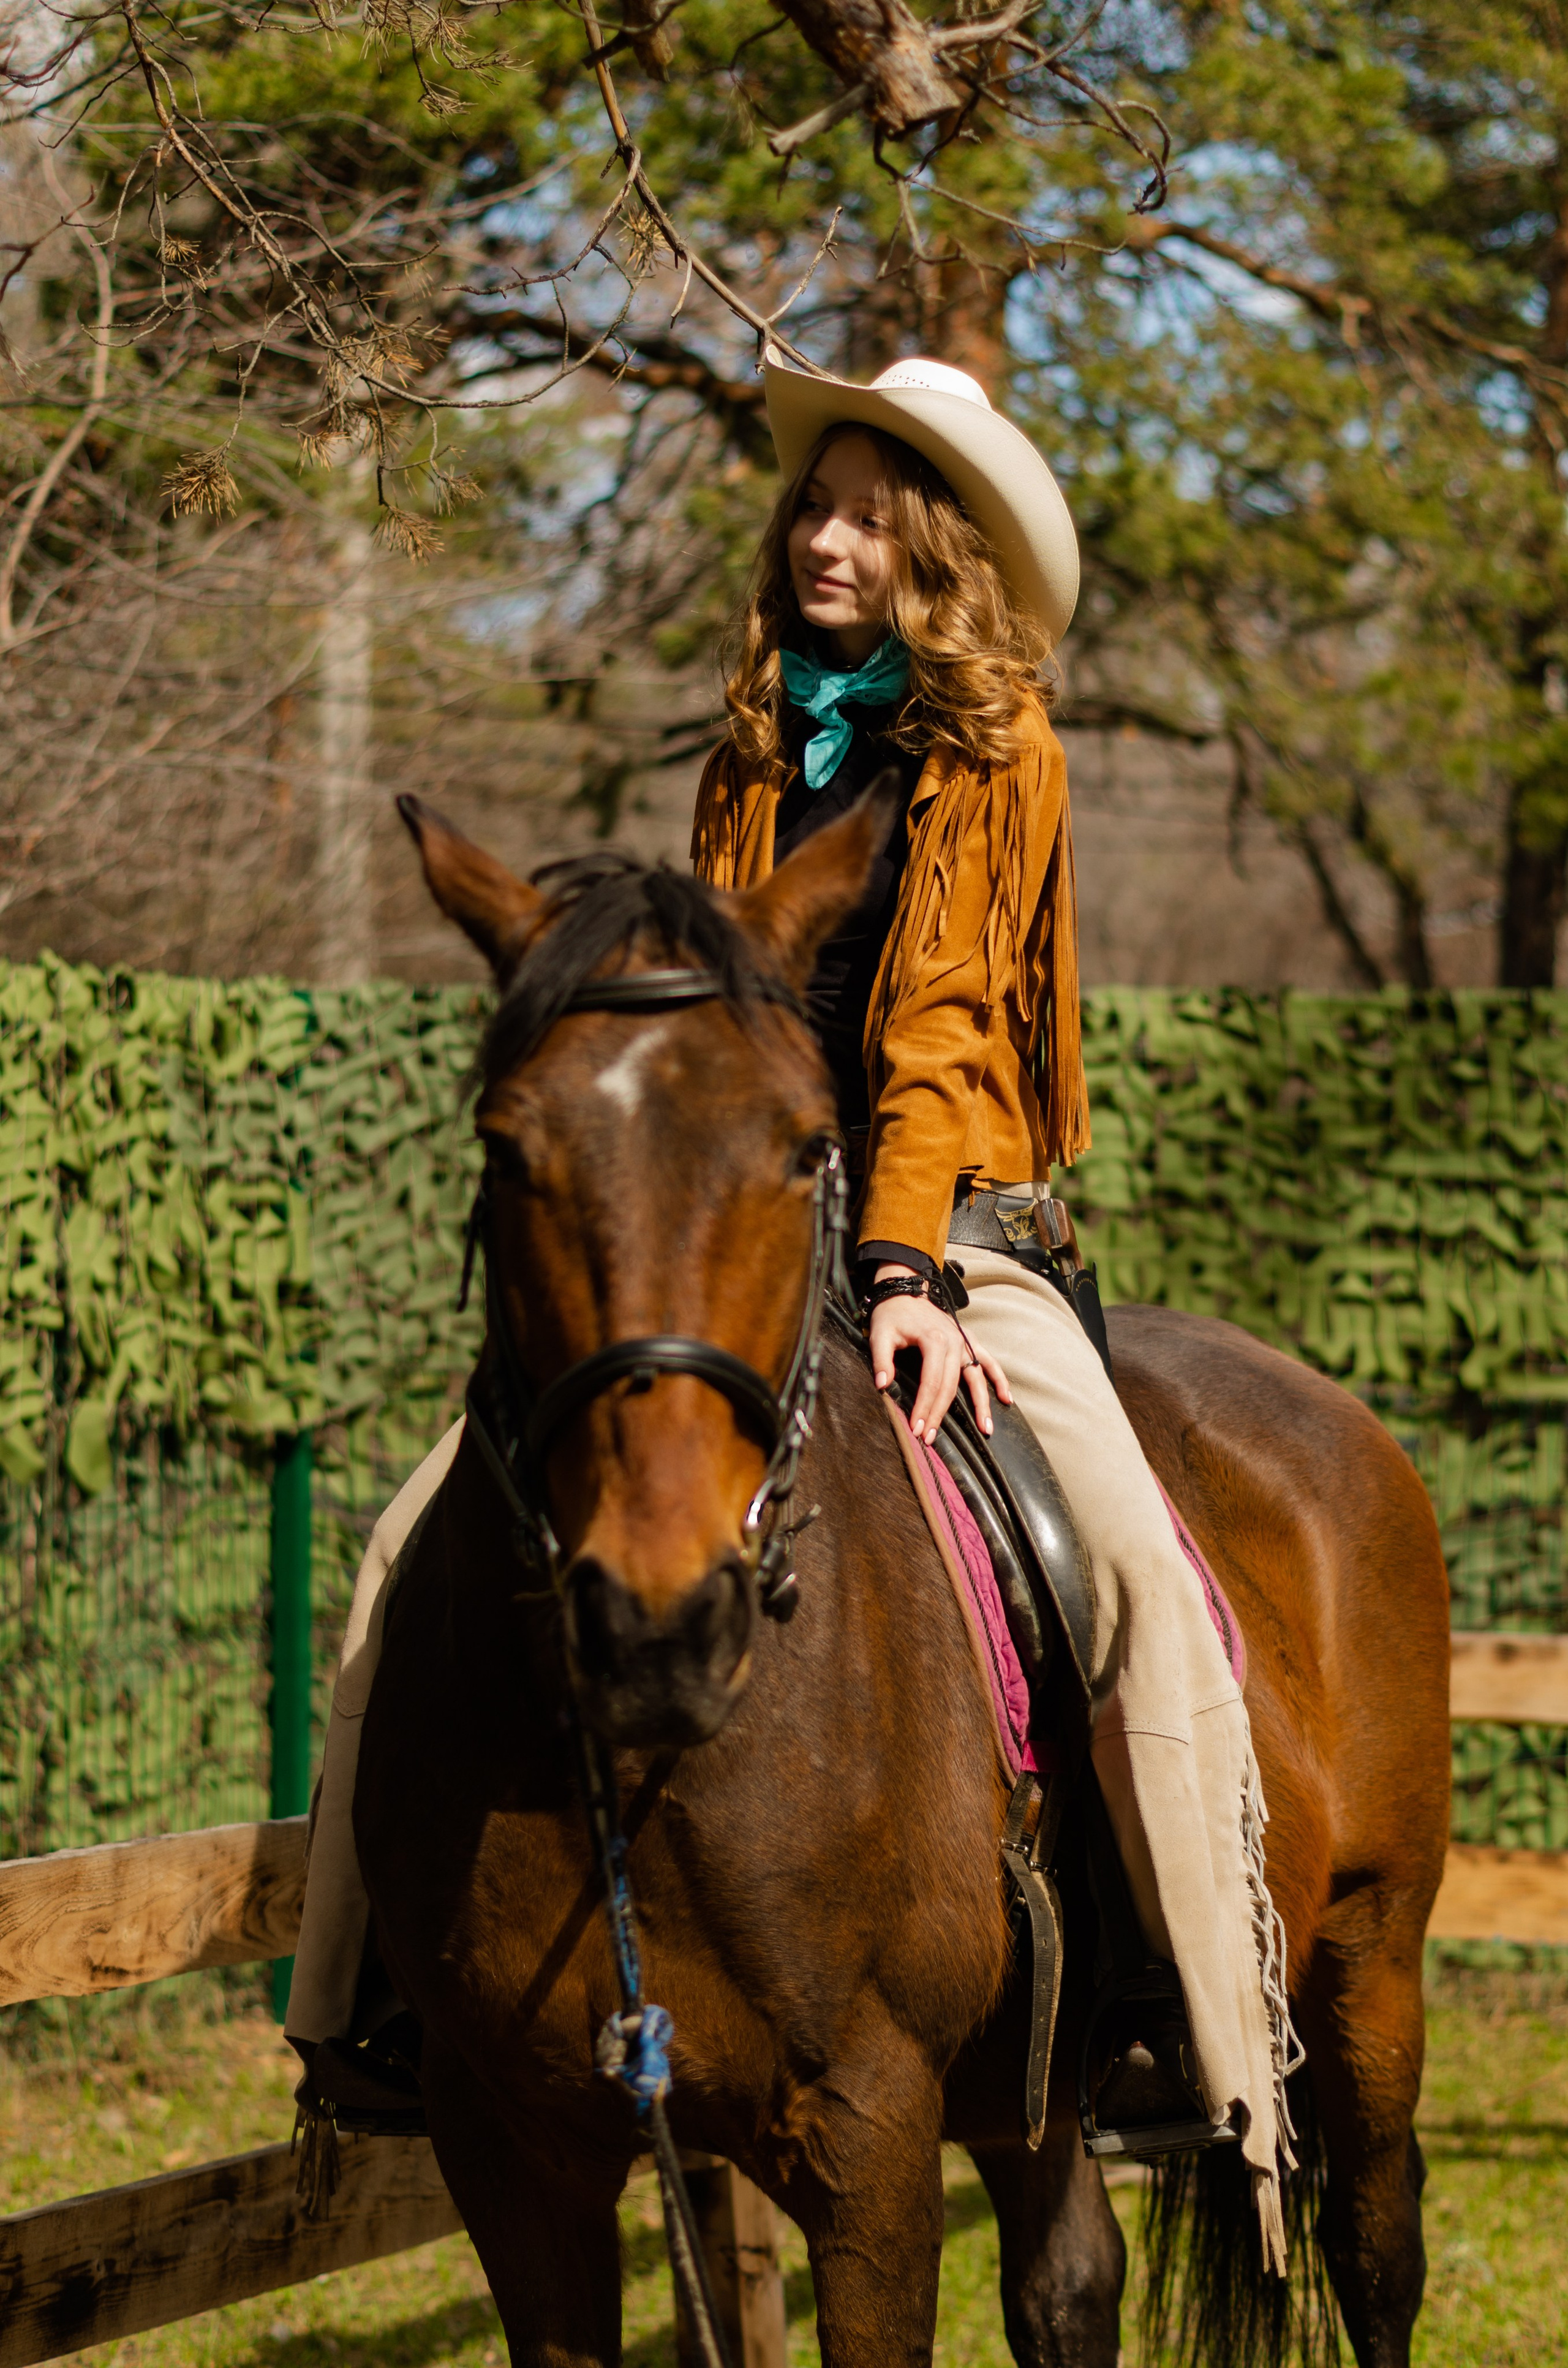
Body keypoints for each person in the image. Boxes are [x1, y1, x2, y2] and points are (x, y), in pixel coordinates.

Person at [287, 349, 1297, 2264]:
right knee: (406, 1558)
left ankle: (1194, 2035)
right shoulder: (755, 745)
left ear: (937, 551)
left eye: (867, 512)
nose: (826, 539)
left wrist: (909, 1267)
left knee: (1137, 1583)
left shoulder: (1004, 754)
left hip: (958, 1223)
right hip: (740, 1227)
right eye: (812, 506)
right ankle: (368, 2017)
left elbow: (931, 1038)